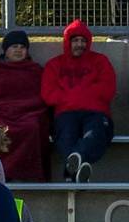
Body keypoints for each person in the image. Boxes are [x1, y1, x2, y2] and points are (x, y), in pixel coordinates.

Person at [0, 30, 51, 181]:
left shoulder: (36, 71)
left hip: (28, 114)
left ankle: (27, 177)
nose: (19, 50)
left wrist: (23, 108)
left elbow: (42, 98)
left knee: (32, 127)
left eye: (22, 47)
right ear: (6, 50)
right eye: (14, 46)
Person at [40, 19, 117, 183]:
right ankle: (76, 171)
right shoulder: (54, 64)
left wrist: (75, 95)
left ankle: (72, 169)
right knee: (66, 135)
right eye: (75, 40)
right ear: (68, 42)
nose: (79, 44)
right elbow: (48, 93)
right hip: (66, 113)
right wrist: (76, 97)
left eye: (83, 41)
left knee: (95, 134)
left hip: (96, 112)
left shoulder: (100, 61)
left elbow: (108, 89)